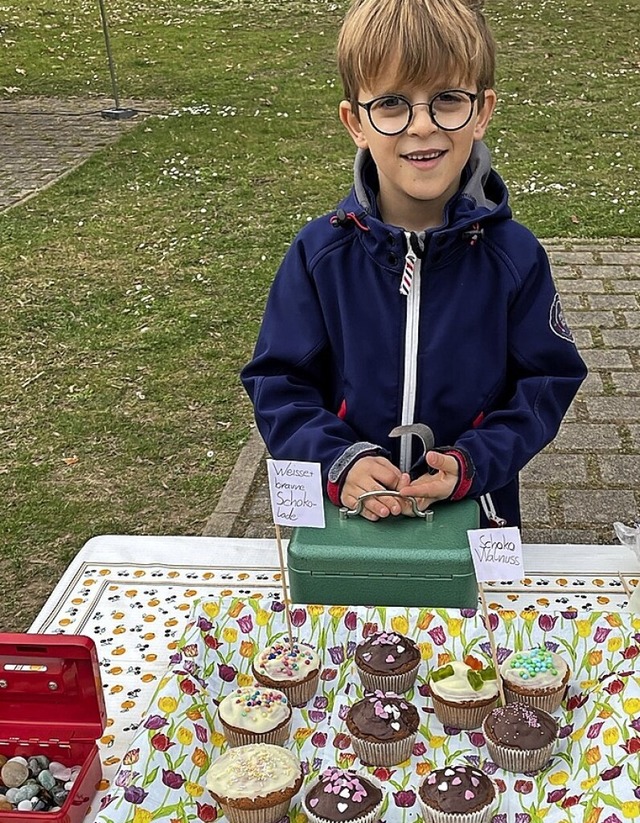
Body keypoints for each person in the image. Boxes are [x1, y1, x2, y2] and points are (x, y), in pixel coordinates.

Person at [241, 0, 587, 527]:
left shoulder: (514, 258)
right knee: (347, 612)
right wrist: (338, 459)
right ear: (356, 121)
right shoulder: (319, 255)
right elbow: (278, 383)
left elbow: (546, 382)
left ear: (483, 112)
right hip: (350, 515)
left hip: (473, 513)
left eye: (447, 100)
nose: (422, 126)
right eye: (392, 104)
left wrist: (472, 461)